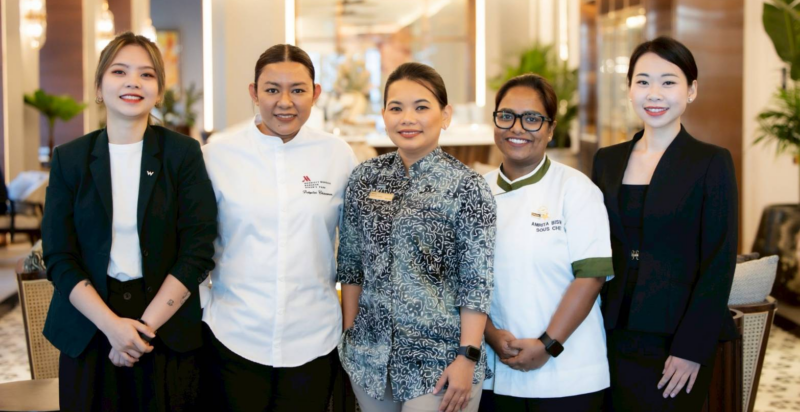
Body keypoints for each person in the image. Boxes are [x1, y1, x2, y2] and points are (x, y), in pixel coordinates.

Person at [42, 31, 218, 411]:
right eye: (119, 71)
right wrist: (112, 326)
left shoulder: (182, 154)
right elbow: (58, 256)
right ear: (99, 87)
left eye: (146, 74)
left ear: (159, 90)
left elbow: (198, 249)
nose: (133, 82)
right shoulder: (70, 159)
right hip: (89, 326)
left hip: (165, 326)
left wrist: (142, 330)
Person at [201, 44, 358, 411]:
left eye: (298, 90)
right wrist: (204, 307)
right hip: (233, 334)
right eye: (272, 89)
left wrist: (350, 327)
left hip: (314, 338)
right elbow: (194, 243)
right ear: (254, 93)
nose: (284, 102)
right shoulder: (217, 155)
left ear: (315, 94)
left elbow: (353, 249)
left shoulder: (337, 155)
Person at [338, 62, 496, 412]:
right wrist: (351, 335)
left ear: (445, 115)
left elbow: (477, 282)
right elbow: (350, 264)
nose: (407, 118)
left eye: (421, 107)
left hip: (441, 361)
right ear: (383, 115)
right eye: (396, 108)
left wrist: (467, 356)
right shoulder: (365, 178)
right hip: (370, 360)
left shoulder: (467, 187)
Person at [591, 36, 738, 411]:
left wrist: (692, 349)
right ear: (629, 89)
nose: (654, 93)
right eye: (643, 81)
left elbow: (718, 263)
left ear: (691, 91)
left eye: (668, 82)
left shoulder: (711, 162)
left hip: (676, 341)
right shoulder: (607, 160)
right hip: (608, 332)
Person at [478, 74, 612, 412]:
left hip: (568, 374)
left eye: (532, 118)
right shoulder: (475, 191)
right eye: (506, 116)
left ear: (550, 129)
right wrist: (490, 334)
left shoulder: (576, 189)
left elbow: (591, 278)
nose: (517, 128)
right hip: (494, 370)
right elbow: (462, 282)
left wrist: (547, 344)